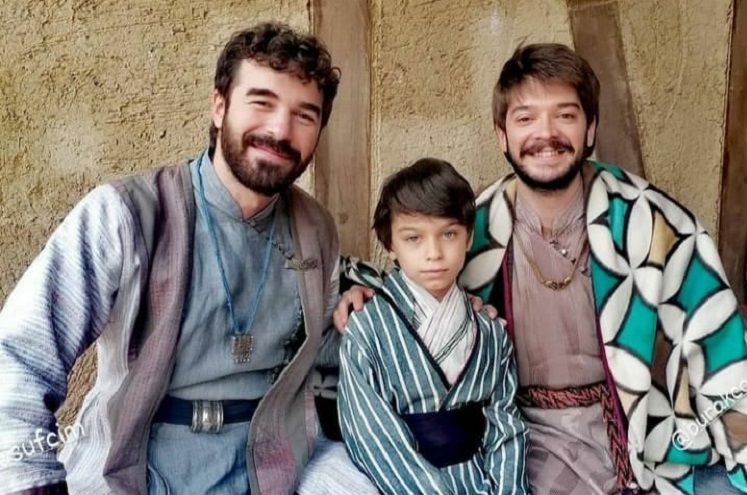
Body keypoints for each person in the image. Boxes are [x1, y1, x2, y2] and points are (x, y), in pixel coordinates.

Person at [335, 43, 747, 494]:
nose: (546, 134)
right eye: (526, 118)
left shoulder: (649, 221)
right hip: (518, 443)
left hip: (635, 434)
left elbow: (717, 341)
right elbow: (416, 278)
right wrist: (361, 293)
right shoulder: (476, 227)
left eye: (565, 115)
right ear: (501, 135)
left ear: (591, 128)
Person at [0, 22, 346, 495]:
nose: (280, 130)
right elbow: (19, 357)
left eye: (304, 115)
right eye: (262, 102)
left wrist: (370, 314)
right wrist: (32, 481)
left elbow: (325, 355)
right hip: (134, 464)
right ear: (219, 106)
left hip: (275, 461)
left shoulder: (316, 229)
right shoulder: (125, 213)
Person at [337, 158, 528, 494]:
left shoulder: (491, 334)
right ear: (390, 245)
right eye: (413, 238)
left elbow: (506, 428)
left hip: (481, 484)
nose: (434, 253)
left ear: (468, 237)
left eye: (449, 234)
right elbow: (371, 437)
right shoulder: (367, 329)